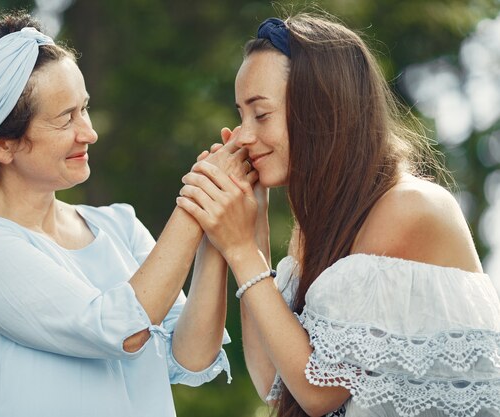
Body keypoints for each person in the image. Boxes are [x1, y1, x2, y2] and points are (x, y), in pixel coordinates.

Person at [0, 12, 255, 417]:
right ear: (2, 145)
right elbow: (118, 330)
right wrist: (196, 199)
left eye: (84, 109)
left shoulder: (118, 225)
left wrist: (214, 215)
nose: (88, 132)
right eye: (64, 119)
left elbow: (191, 357)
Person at [177, 14, 500, 417]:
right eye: (241, 115)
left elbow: (318, 391)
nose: (242, 135)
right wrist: (252, 223)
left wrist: (241, 249)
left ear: (322, 110)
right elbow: (276, 386)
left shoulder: (409, 208)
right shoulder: (316, 232)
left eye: (260, 115)